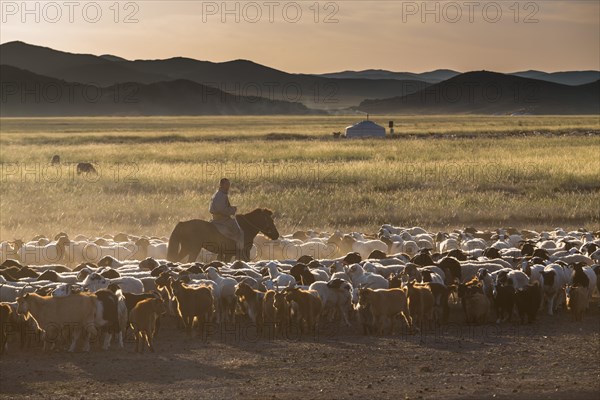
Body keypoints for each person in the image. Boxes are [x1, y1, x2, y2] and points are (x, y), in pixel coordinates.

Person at [209, 178, 244, 256]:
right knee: (239, 231)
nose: (228, 186)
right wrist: (232, 209)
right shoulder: (221, 195)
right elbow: (221, 209)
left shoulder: (218, 194)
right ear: (221, 185)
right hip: (222, 220)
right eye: (227, 184)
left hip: (219, 218)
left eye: (229, 184)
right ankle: (239, 251)